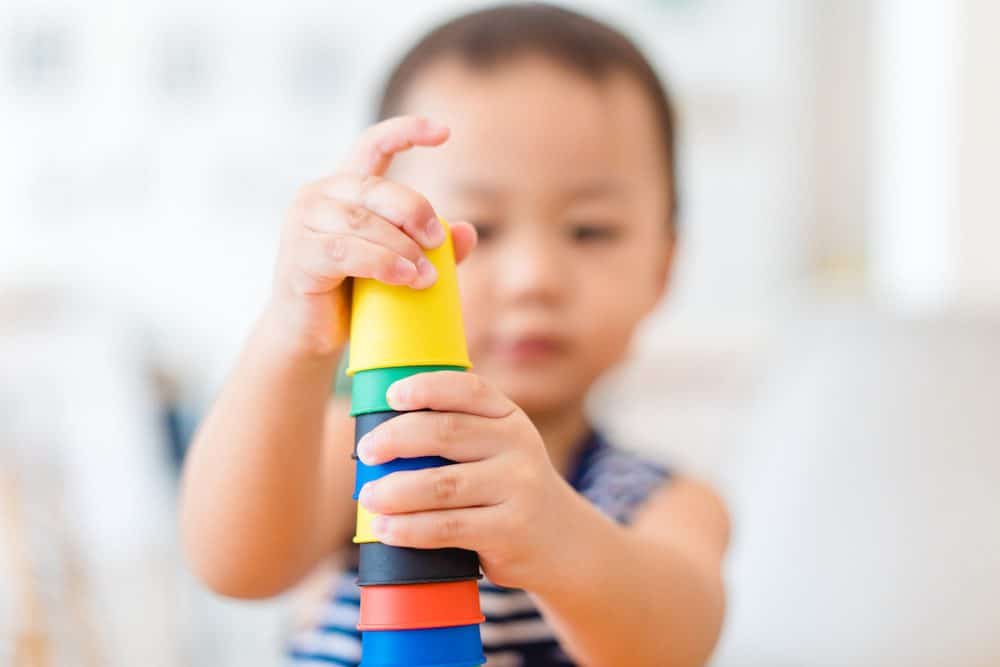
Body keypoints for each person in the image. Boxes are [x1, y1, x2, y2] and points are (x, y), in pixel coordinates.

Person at [179, 4, 729, 665]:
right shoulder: (364, 450)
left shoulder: (662, 500)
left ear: (663, 268)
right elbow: (235, 565)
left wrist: (553, 533)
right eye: (482, 229)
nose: (534, 277)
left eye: (590, 230)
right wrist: (292, 338)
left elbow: (674, 644)